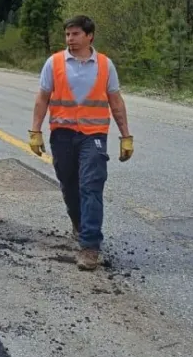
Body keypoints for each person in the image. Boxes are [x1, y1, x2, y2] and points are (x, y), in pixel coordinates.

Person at [30, 15, 134, 271]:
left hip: (93, 135)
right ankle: (78, 222)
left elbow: (116, 102)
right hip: (62, 134)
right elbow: (42, 98)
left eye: (75, 34)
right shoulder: (53, 63)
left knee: (91, 185)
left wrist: (125, 135)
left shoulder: (105, 65)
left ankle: (90, 246)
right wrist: (35, 130)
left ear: (90, 36)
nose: (70, 39)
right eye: (67, 34)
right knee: (69, 184)